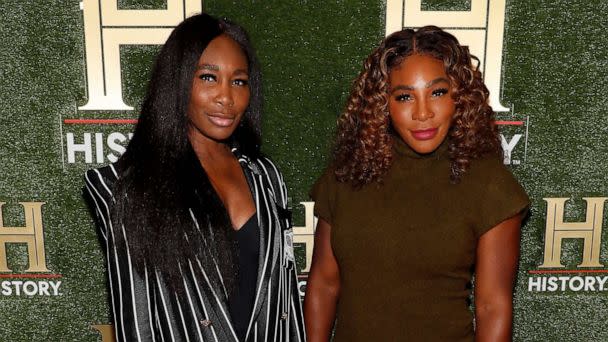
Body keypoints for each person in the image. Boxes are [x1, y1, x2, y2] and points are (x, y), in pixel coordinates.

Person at [84, 14, 305, 342]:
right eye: (208, 78)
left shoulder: (266, 178)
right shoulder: (128, 189)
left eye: (239, 81)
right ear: (179, 81)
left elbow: (285, 299)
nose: (226, 98)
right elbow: (135, 322)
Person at [304, 26, 529, 341]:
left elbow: (493, 306)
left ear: (459, 97)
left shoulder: (489, 186)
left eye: (437, 92)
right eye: (405, 96)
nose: (423, 113)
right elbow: (324, 283)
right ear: (384, 103)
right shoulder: (347, 176)